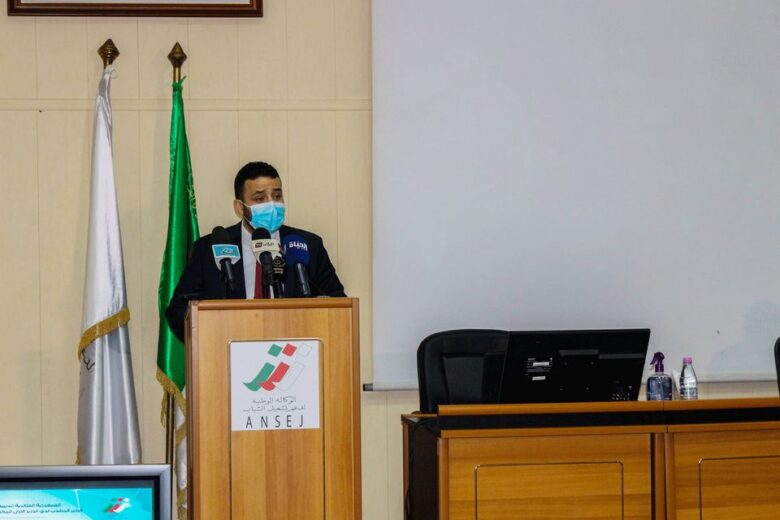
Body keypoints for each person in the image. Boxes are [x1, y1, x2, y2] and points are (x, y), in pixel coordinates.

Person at [165, 161, 345, 341]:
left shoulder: (307, 245)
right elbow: (178, 310)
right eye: (260, 199)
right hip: (228, 350)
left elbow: (337, 304)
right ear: (240, 207)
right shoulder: (208, 249)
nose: (272, 204)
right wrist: (210, 342)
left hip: (292, 350)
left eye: (277, 196)